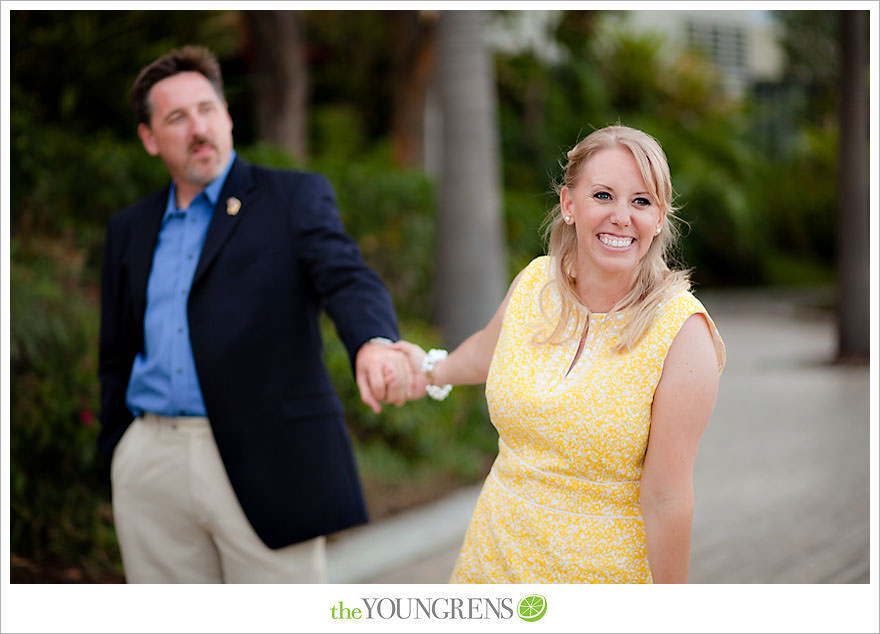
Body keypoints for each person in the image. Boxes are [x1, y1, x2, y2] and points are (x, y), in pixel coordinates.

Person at [98, 45, 411, 583]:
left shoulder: (293, 197)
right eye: (177, 117)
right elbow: (115, 348)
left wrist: (374, 340)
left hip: (267, 455)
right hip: (152, 459)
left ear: (228, 117)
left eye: (207, 109)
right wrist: (118, 449)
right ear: (149, 138)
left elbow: (345, 276)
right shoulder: (129, 228)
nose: (198, 128)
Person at [393, 125, 726, 583]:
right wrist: (423, 369)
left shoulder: (683, 332)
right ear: (570, 205)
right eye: (603, 195)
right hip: (492, 566)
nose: (622, 216)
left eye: (641, 201)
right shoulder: (536, 284)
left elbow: (667, 498)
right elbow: (483, 356)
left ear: (660, 216)